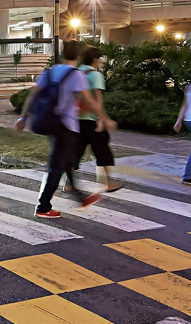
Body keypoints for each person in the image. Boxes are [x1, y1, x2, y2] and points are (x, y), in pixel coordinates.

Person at [15, 38, 102, 217]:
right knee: (57, 164)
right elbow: (87, 100)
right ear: (78, 56)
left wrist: (23, 117)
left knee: (64, 159)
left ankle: (77, 194)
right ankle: (44, 206)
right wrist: (103, 118)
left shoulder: (50, 72)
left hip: (50, 122)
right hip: (66, 125)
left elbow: (33, 95)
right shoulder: (76, 75)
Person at [73, 45, 122, 192]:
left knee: (75, 151)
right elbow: (97, 99)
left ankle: (68, 184)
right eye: (99, 59)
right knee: (102, 150)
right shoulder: (95, 75)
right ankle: (108, 183)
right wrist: (102, 119)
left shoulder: (76, 72)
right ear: (95, 59)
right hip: (91, 119)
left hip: (75, 118)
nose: (100, 62)